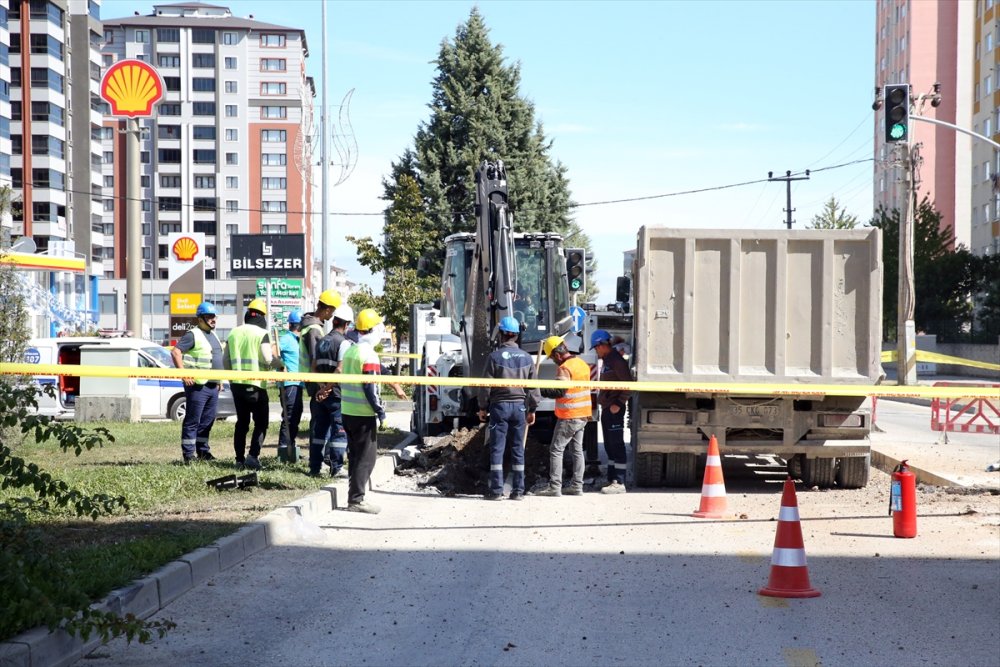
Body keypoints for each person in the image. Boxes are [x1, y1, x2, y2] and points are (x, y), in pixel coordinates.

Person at [476, 316, 541, 501]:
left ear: (501, 335)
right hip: (519, 407)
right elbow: (533, 387)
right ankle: (518, 491)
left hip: (500, 407)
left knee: (497, 448)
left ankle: (496, 491)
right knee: (518, 448)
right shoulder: (527, 357)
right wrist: (532, 409)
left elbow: (485, 386)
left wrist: (482, 407)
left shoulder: (494, 357)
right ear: (517, 335)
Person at [339, 308, 388, 513]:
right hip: (363, 413)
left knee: (355, 456)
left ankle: (354, 497)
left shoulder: (351, 350)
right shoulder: (369, 355)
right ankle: (357, 500)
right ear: (373, 330)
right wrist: (380, 411)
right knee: (366, 459)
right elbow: (371, 388)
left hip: (347, 411)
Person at [534, 335, 592, 497]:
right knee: (577, 450)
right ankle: (577, 486)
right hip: (583, 414)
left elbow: (559, 391)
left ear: (557, 355)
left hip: (570, 415)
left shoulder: (565, 368)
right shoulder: (581, 364)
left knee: (556, 450)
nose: (554, 361)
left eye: (552, 358)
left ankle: (554, 487)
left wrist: (538, 388)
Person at [223, 298, 276, 470]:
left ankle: (239, 459)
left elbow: (226, 361)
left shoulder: (234, 333)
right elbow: (268, 359)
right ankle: (253, 456)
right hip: (256, 386)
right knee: (261, 423)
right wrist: (280, 364)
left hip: (237, 385)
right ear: (262, 317)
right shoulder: (262, 334)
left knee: (242, 422)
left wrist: (232, 379)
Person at [170, 301, 223, 464]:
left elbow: (215, 358)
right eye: (209, 316)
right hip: (198, 386)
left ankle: (203, 452)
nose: (213, 319)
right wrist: (184, 374)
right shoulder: (193, 334)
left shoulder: (213, 335)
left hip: (212, 384)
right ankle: (188, 455)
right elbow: (176, 352)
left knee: (208, 420)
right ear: (200, 319)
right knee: (193, 420)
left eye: (214, 316)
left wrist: (219, 380)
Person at [299, 290, 342, 476]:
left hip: (315, 380)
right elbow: (316, 361)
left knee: (320, 423)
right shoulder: (314, 330)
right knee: (320, 424)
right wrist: (323, 387)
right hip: (317, 382)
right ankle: (320, 462)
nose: (332, 315)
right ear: (327, 309)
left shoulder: (311, 326)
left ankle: (318, 463)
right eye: (332, 311)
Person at [315, 304, 355, 477]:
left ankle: (315, 467)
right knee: (339, 431)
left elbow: (313, 368)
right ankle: (336, 467)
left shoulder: (321, 341)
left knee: (319, 431)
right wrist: (328, 388)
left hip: (321, 394)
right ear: (346, 324)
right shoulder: (343, 343)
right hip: (336, 394)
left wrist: (321, 388)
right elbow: (339, 370)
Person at [591, 329, 632, 494]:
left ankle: (620, 482)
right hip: (607, 407)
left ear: (602, 345)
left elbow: (628, 385)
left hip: (614, 408)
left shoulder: (616, 361)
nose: (596, 351)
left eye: (596, 347)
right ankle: (612, 479)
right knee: (609, 444)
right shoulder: (608, 360)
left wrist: (619, 403)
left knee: (616, 444)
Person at [277, 309, 304, 461]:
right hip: (289, 384)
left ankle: (290, 446)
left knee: (295, 416)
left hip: (298, 383)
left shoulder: (298, 340)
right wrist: (281, 365)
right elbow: (274, 351)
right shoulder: (287, 338)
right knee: (289, 417)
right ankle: (283, 449)